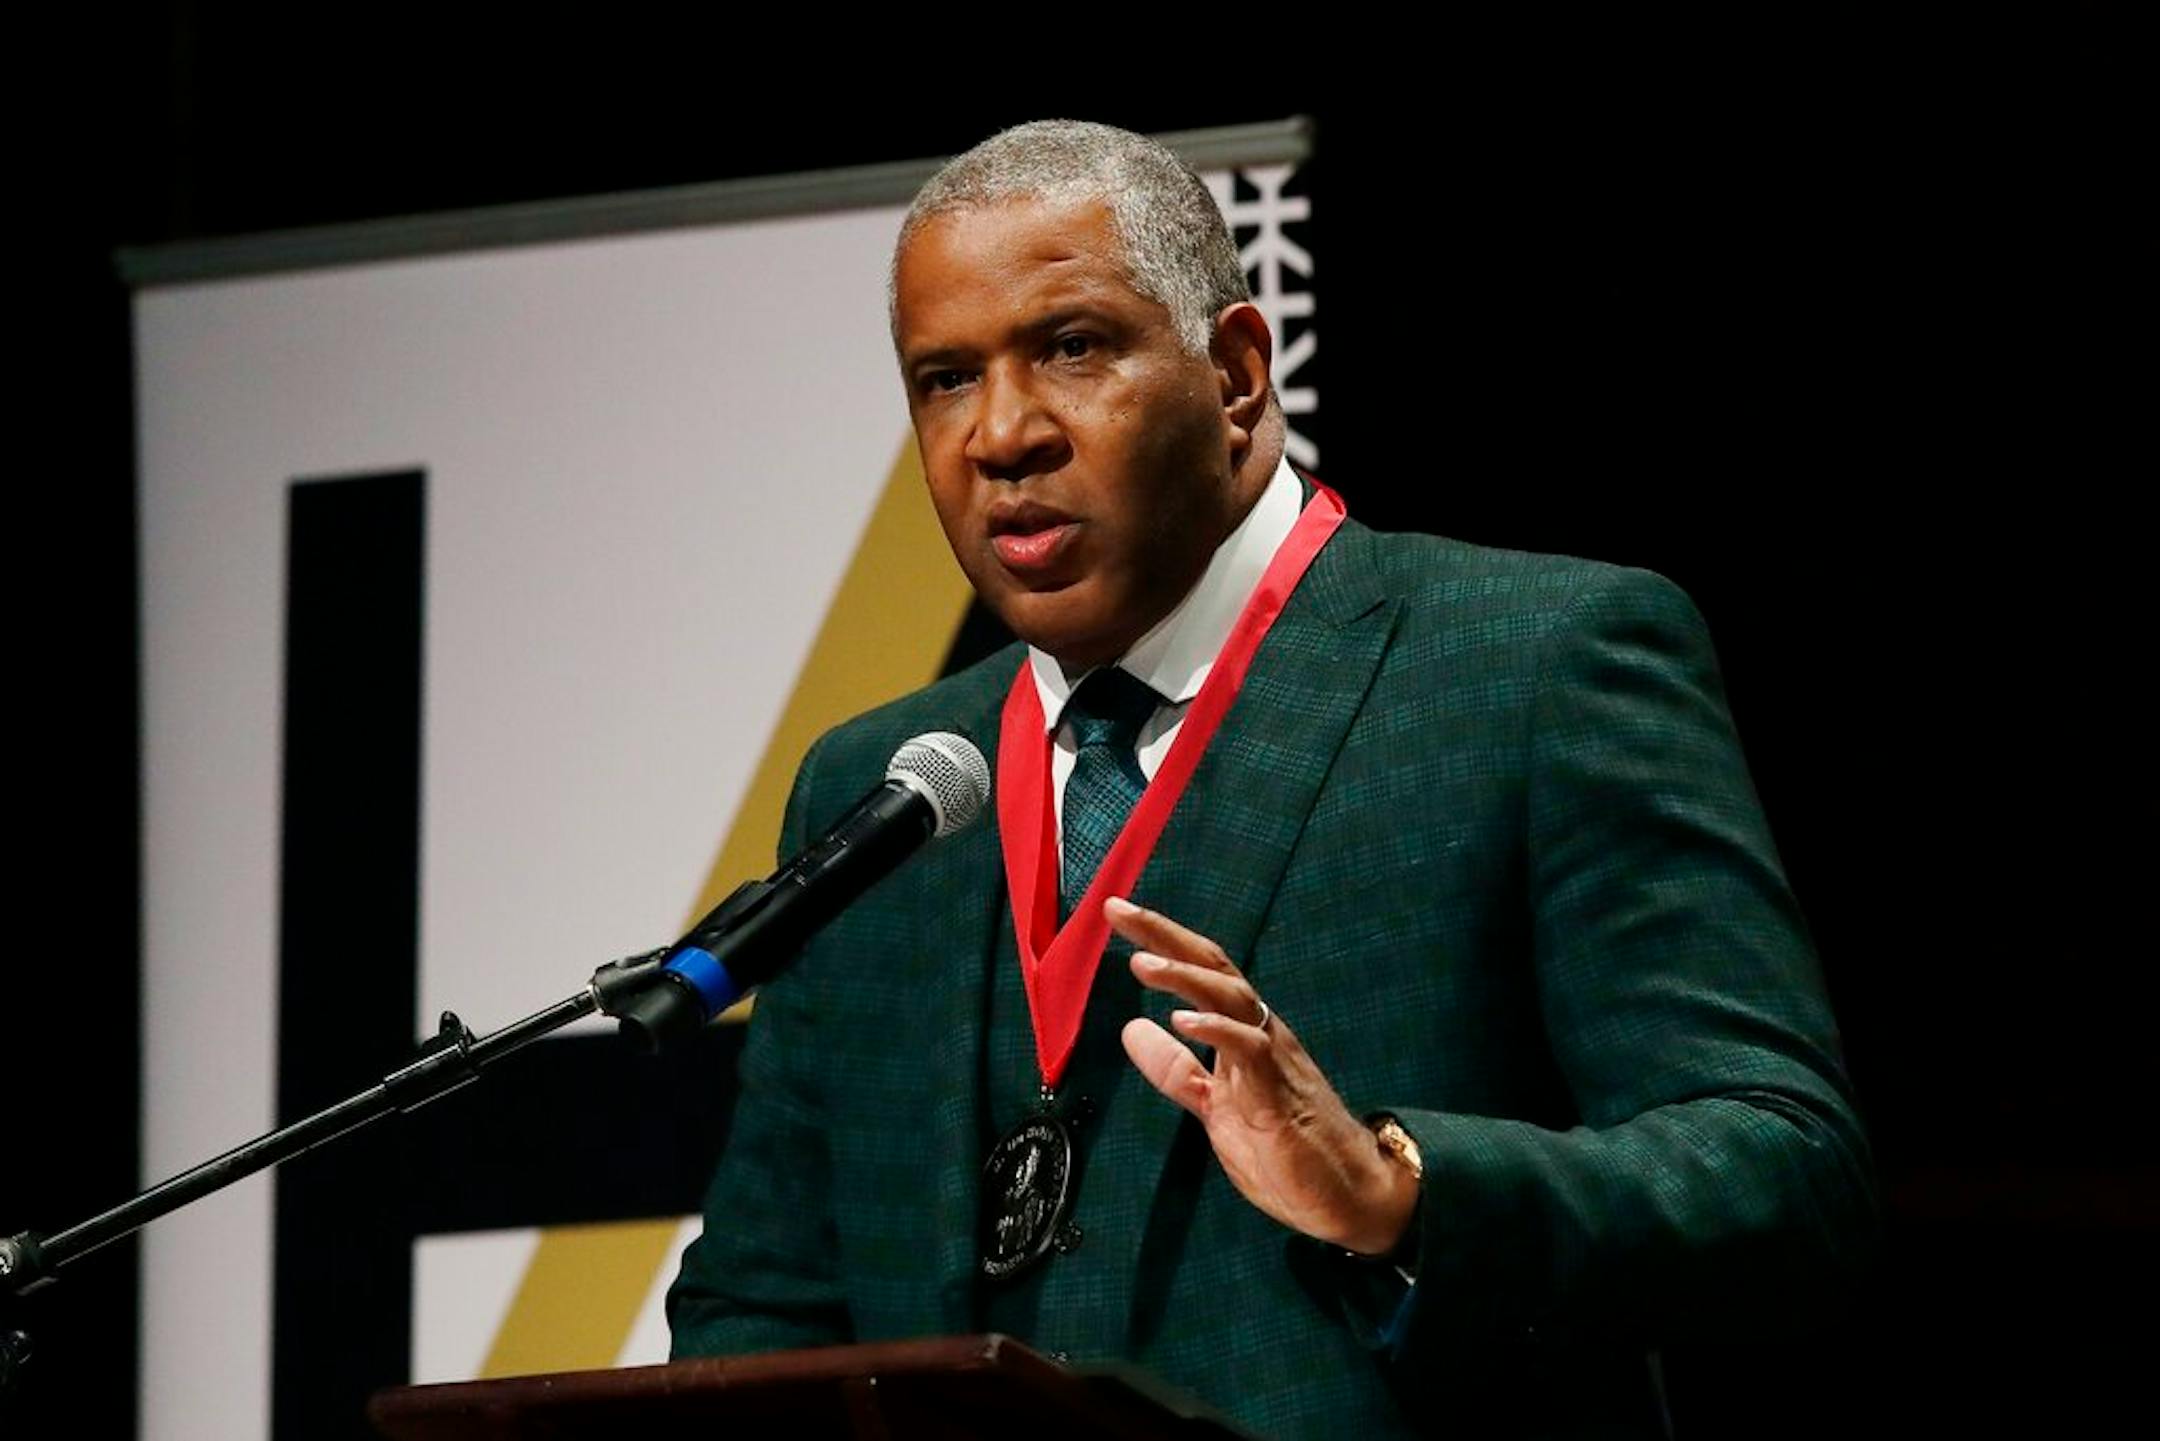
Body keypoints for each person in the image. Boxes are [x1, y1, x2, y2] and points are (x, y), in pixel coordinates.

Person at [668, 120, 1874, 1439]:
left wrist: (1401, 1190)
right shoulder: (882, 788)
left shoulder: (1535, 666)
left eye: (1071, 346)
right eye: (945, 378)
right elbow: (758, 1309)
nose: (1000, 434)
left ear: (1238, 374)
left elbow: (1786, 1178)